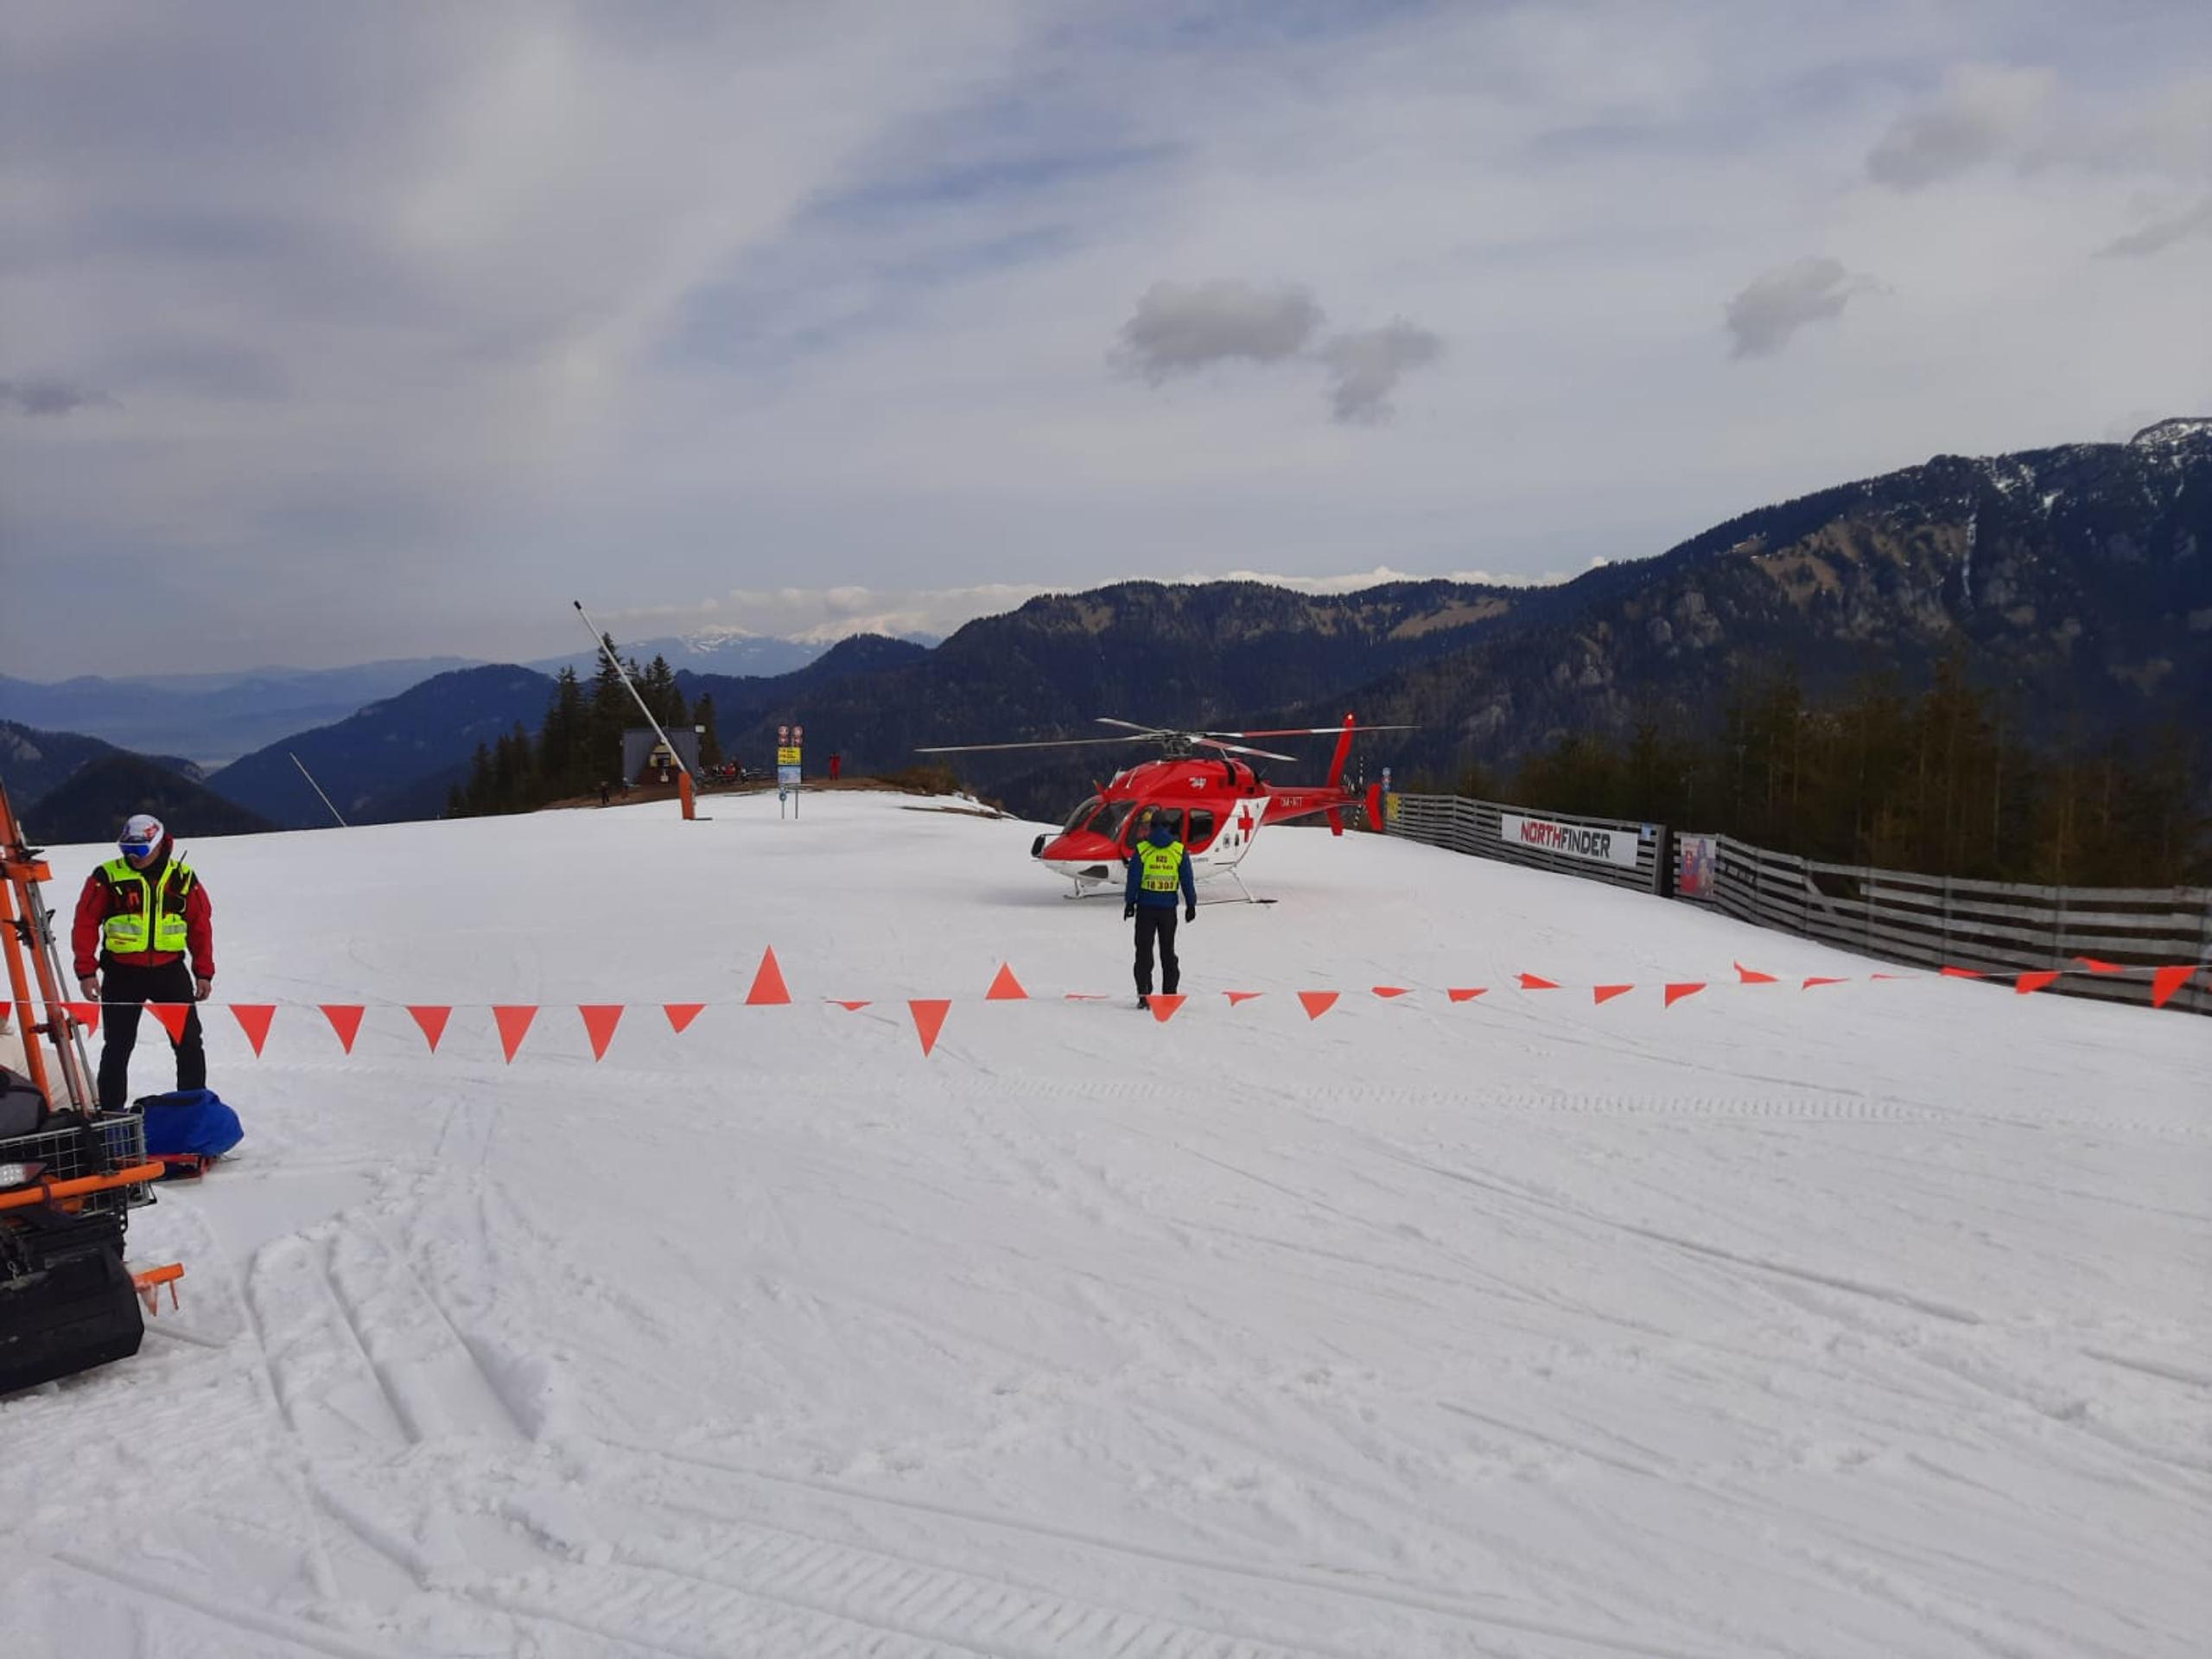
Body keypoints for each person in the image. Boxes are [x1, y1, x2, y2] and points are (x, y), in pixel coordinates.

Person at [71, 813, 214, 1113]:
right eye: (127, 851)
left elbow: (200, 926)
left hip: (170, 972)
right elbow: (85, 923)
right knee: (118, 1047)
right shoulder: (106, 877)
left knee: (188, 1043)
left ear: (159, 844)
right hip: (122, 974)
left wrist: (203, 972)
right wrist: (86, 971)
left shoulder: (183, 878)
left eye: (140, 851)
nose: (133, 858)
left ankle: (193, 1110)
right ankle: (112, 1116)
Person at [1122, 810, 1196, 1008]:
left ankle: (1144, 995)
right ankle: (1169, 995)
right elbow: (1187, 880)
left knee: (1144, 952)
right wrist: (1191, 904)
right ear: (1168, 827)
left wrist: (1130, 902)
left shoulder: (1142, 850)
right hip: (1168, 911)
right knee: (1168, 952)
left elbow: (1133, 879)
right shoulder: (1179, 850)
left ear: (1152, 826)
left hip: (1145, 909)